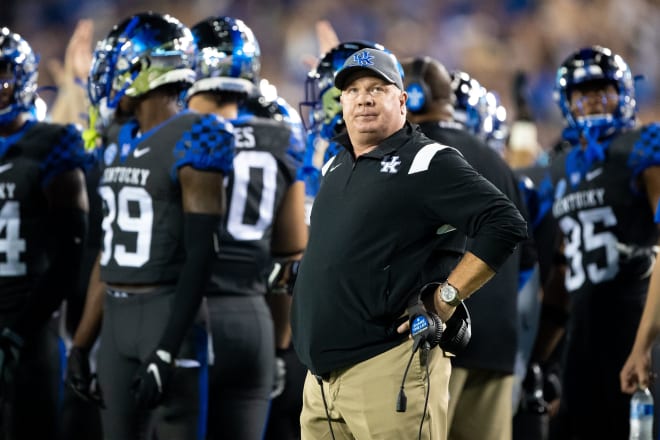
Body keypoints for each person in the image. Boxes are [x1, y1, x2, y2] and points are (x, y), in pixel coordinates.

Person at [290, 47, 528, 439]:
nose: (363, 97)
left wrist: (447, 298)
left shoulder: (426, 159)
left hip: (388, 371)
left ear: (402, 100)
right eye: (353, 90)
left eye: (376, 88)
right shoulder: (336, 164)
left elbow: (504, 223)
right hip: (320, 382)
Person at [81, 12, 235, 440]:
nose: (110, 76)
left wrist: (167, 347)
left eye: (121, 63)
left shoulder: (198, 133)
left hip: (169, 314)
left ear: (151, 69)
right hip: (115, 318)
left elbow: (203, 252)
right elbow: (109, 249)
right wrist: (80, 343)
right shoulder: (121, 138)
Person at [186, 16, 307, 440]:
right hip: (251, 319)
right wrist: (277, 345)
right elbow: (290, 260)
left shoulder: (175, 136)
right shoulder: (281, 139)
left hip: (185, 313)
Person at [402, 56, 534, 440]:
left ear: (411, 96)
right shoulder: (499, 161)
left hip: (436, 338)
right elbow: (527, 265)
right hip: (498, 346)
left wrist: (443, 299)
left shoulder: (415, 152)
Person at [533, 45, 660, 440]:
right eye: (582, 93)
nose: (592, 100)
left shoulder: (645, 145)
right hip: (583, 335)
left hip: (637, 321)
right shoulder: (558, 166)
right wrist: (537, 360)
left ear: (624, 93)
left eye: (602, 89)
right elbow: (562, 273)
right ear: (566, 101)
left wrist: (643, 345)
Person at [0, 27, 90, 438]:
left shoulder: (51, 143)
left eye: (2, 78)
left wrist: (20, 329)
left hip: (31, 322)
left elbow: (71, 250)